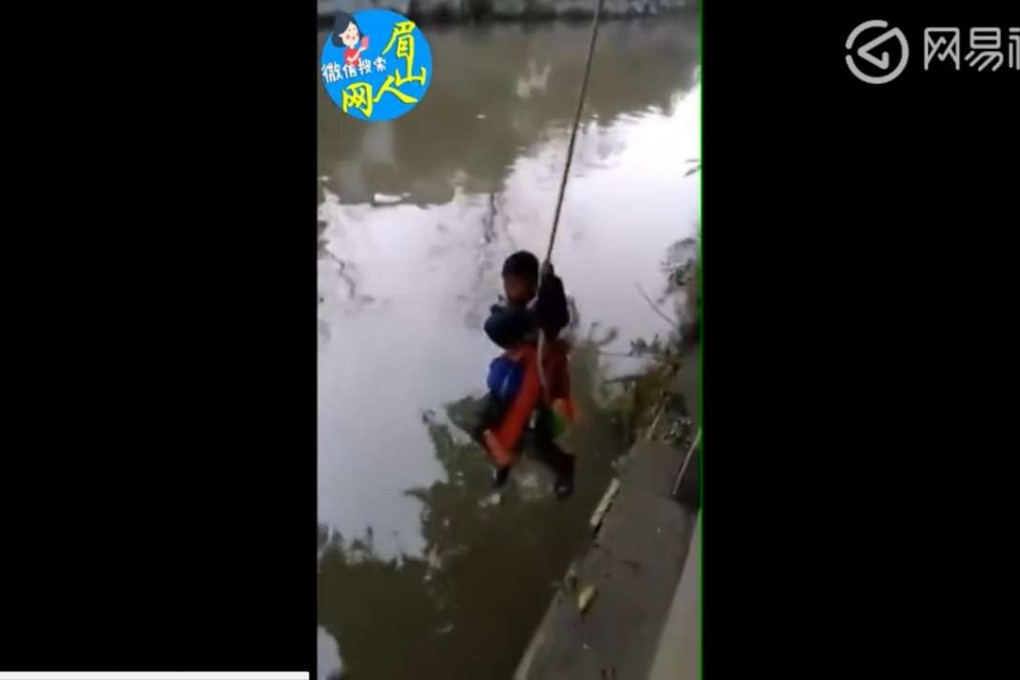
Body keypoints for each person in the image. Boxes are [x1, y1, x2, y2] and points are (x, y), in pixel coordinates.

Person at [473, 251, 577, 498]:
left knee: (537, 438)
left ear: (531, 283)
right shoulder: (506, 311)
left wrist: (552, 288)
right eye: (507, 283)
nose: (509, 289)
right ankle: (503, 459)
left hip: (541, 379)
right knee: (481, 426)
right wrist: (531, 315)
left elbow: (560, 321)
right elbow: (495, 328)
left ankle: (564, 467)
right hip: (511, 382)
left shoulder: (549, 301)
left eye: (515, 283)